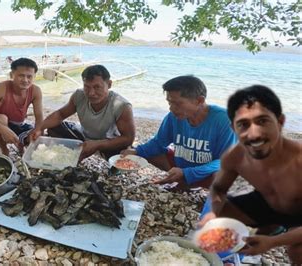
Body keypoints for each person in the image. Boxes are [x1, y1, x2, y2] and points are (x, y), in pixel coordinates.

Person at [200, 85, 302, 263]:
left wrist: (271, 243)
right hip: (271, 201)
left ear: (280, 121)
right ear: (233, 127)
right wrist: (213, 213)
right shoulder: (235, 156)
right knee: (223, 213)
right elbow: (219, 189)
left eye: (263, 121)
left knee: (297, 251)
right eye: (243, 124)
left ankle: (275, 231)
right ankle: (270, 227)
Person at [122, 76, 236, 190]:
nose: (171, 108)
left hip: (207, 172)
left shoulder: (224, 120)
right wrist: (135, 151)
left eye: (177, 104)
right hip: (181, 166)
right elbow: (158, 143)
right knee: (148, 153)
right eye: (169, 103)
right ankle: (184, 182)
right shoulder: (173, 117)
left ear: (199, 101)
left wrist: (188, 173)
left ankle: (206, 196)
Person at [30, 64, 135, 161]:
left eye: (97, 87)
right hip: (83, 136)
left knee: (125, 153)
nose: (91, 93)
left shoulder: (122, 106)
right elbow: (60, 114)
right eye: (87, 87)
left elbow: (128, 138)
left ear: (109, 84)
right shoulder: (79, 95)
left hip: (108, 141)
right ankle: (75, 152)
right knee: (53, 127)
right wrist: (39, 128)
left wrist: (97, 144)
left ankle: (99, 155)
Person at [0, 57, 43, 155]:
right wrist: (3, 129)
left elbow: (39, 116)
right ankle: (4, 149)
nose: (25, 80)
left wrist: (38, 130)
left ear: (34, 76)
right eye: (21, 76)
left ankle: (21, 149)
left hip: (19, 124)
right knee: (2, 118)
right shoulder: (0, 88)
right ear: (12, 75)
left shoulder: (35, 91)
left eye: (29, 76)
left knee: (36, 141)